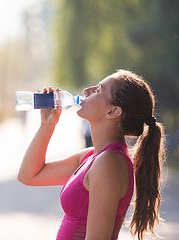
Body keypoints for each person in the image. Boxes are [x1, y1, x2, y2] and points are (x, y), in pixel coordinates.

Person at [17, 69, 166, 240]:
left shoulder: (108, 164)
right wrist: (46, 126)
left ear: (113, 111)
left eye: (98, 90)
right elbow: (29, 176)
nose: (87, 90)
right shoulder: (92, 157)